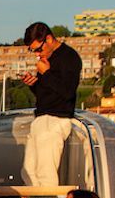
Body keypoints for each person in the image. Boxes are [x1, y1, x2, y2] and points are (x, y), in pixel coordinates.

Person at [20, 22, 82, 188]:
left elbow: (67, 92)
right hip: (41, 118)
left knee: (46, 173)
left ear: (48, 39)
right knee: (28, 172)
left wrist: (46, 73)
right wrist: (34, 83)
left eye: (39, 49)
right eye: (33, 51)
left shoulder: (69, 57)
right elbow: (45, 94)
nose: (37, 54)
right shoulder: (46, 60)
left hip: (56, 120)